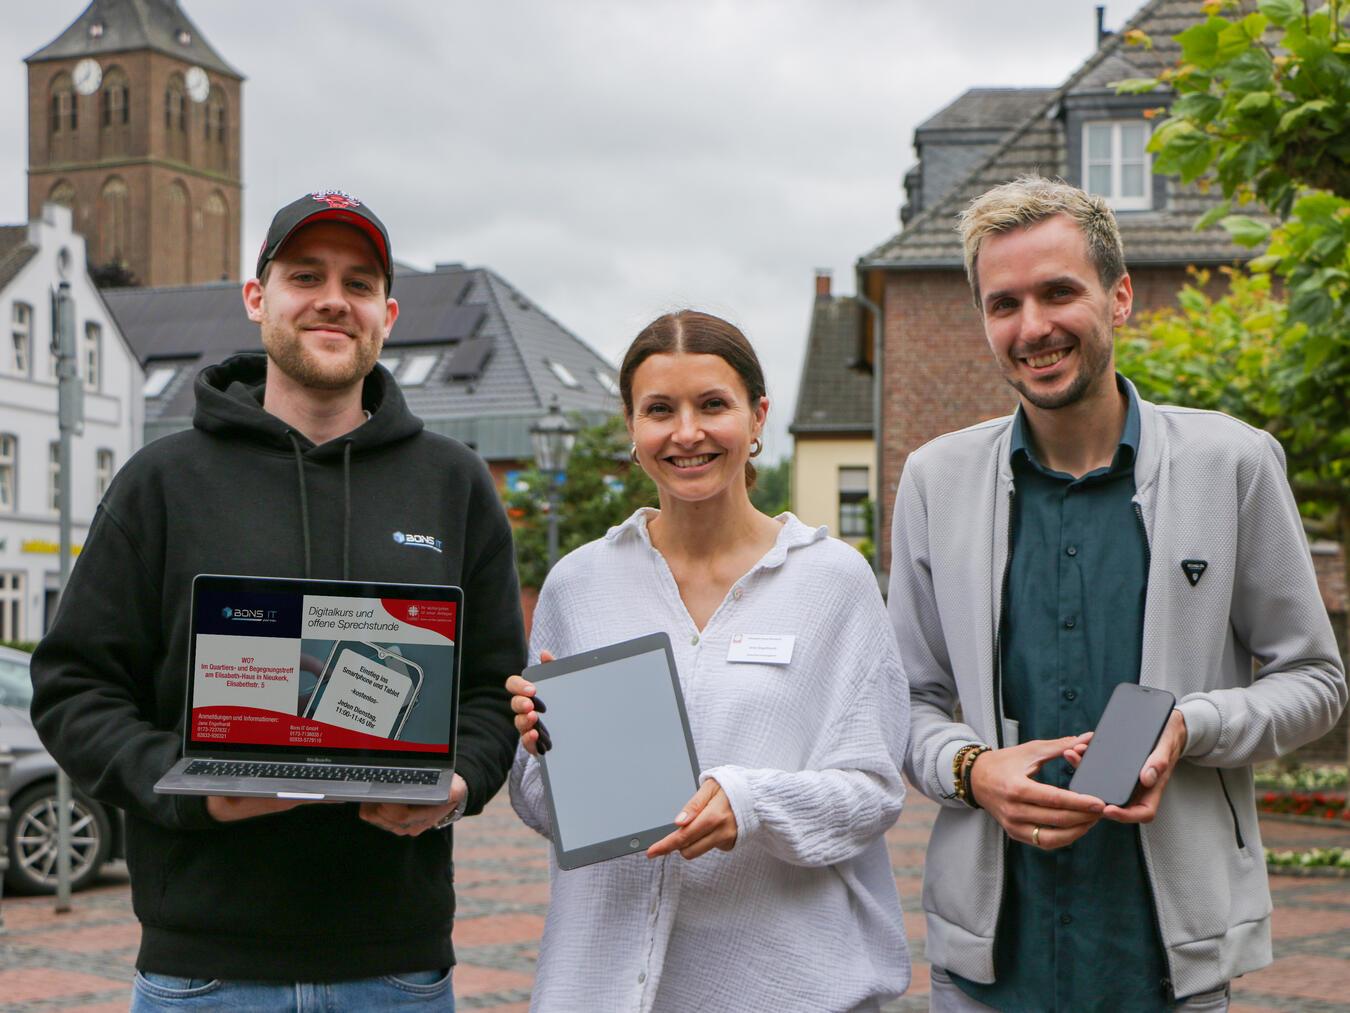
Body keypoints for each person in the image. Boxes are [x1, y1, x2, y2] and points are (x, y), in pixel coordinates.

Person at [30, 191, 525, 1009]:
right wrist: (190, 786)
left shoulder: (455, 484)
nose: (334, 298)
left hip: (396, 970)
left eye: (359, 283)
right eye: (306, 275)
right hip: (203, 971)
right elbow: (73, 688)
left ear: (387, 314)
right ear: (257, 297)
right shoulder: (162, 483)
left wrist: (460, 785)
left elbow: (492, 693)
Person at [889, 175, 1347, 1012]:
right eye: (1004, 304)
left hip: (1166, 957)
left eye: (1059, 291)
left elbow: (1316, 682)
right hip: (988, 960)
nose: (1033, 327)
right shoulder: (932, 479)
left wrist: (1191, 724)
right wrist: (972, 768)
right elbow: (904, 701)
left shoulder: (1233, 464)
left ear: (1120, 296)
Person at [506, 310, 910, 1011]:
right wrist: (546, 752)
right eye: (659, 409)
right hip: (604, 988)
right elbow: (538, 802)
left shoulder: (833, 583)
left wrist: (751, 802)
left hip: (781, 986)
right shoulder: (580, 584)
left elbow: (873, 792)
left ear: (757, 418)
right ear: (632, 429)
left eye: (712, 405)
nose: (686, 432)